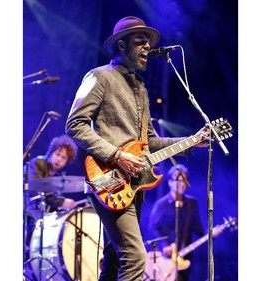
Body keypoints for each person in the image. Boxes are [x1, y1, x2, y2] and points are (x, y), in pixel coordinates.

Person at [65, 16, 209, 281]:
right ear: (121, 45)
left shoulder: (141, 89)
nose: (147, 47)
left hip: (133, 185)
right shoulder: (100, 77)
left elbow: (151, 141)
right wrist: (117, 155)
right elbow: (75, 124)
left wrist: (191, 141)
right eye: (139, 41)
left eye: (148, 43)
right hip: (108, 179)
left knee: (113, 260)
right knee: (134, 256)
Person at [147, 164, 205, 281]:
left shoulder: (192, 203)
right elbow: (153, 228)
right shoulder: (161, 204)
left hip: (184, 255)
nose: (180, 183)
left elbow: (198, 228)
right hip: (165, 257)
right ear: (169, 182)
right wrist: (165, 245)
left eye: (184, 180)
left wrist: (211, 234)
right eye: (177, 180)